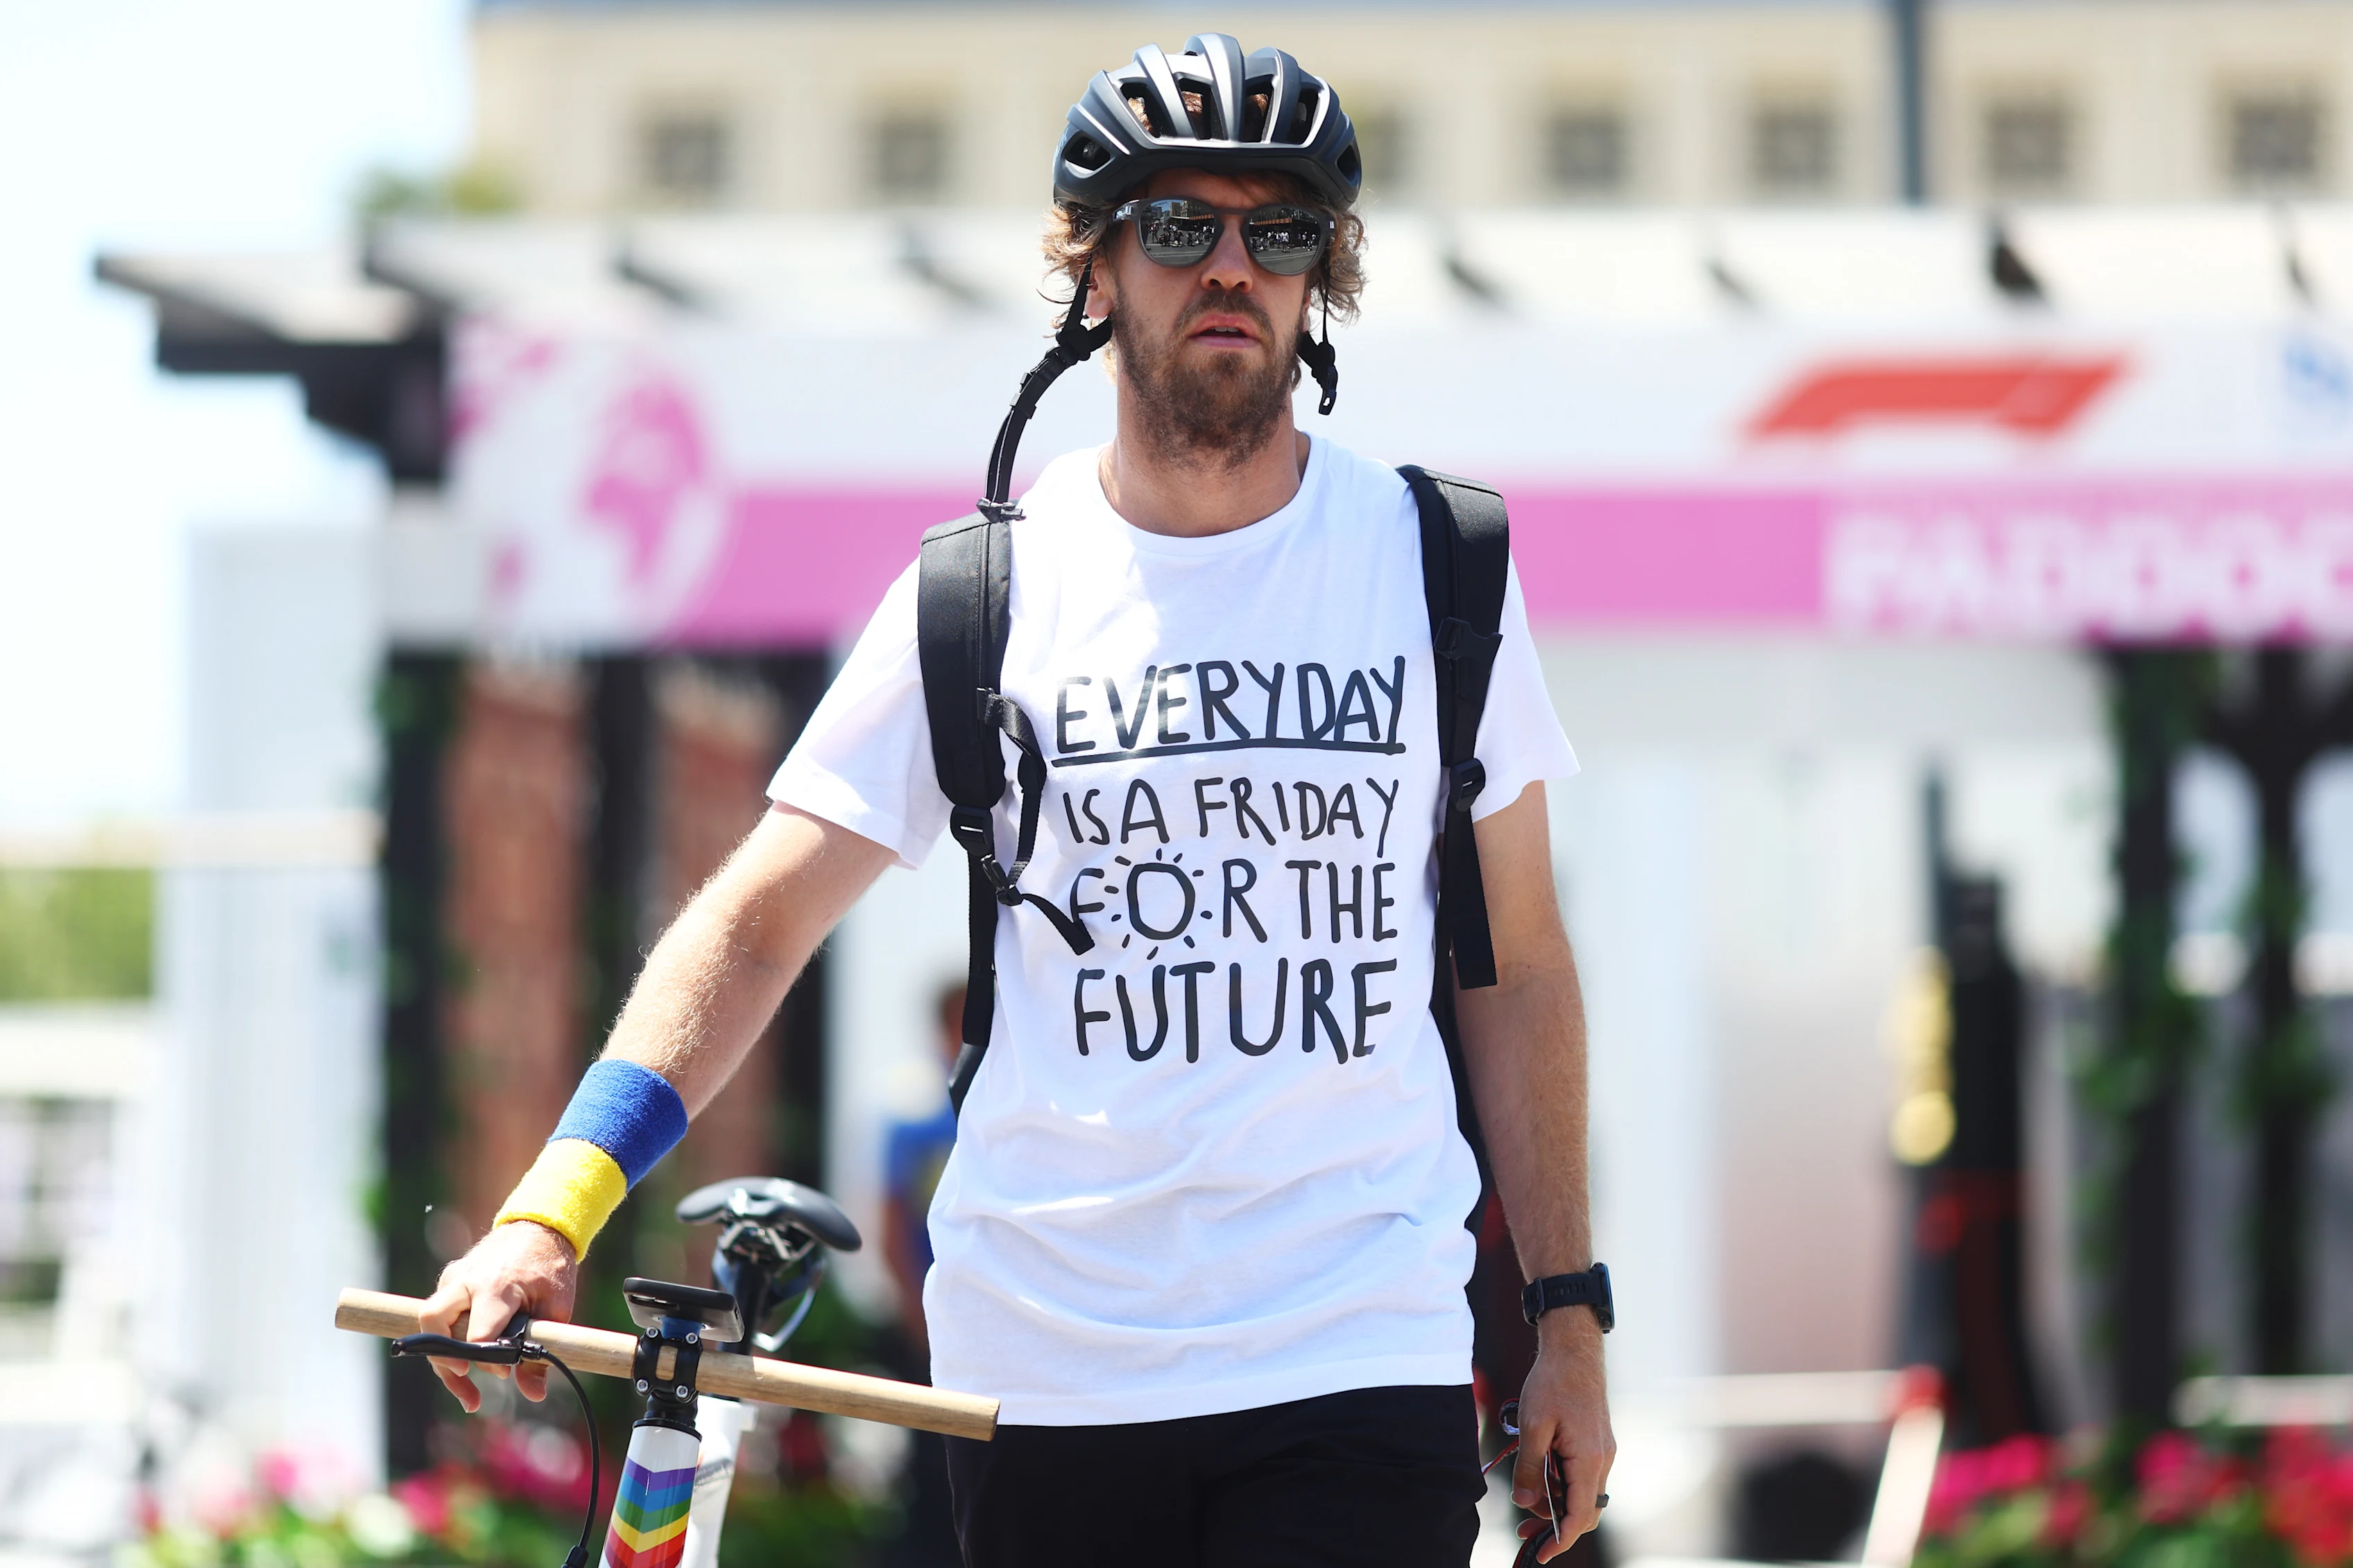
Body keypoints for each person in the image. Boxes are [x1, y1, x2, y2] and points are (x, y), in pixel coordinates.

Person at [420, 34, 1614, 1567]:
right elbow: (762, 916)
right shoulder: (983, 592)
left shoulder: (1436, 563)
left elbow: (1513, 962)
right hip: (1048, 1365)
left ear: (1329, 269)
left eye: (1282, 227)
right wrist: (549, 1207)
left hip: (1353, 1342)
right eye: (1179, 225)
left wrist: (1566, 1315)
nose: (1233, 265)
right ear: (1096, 265)